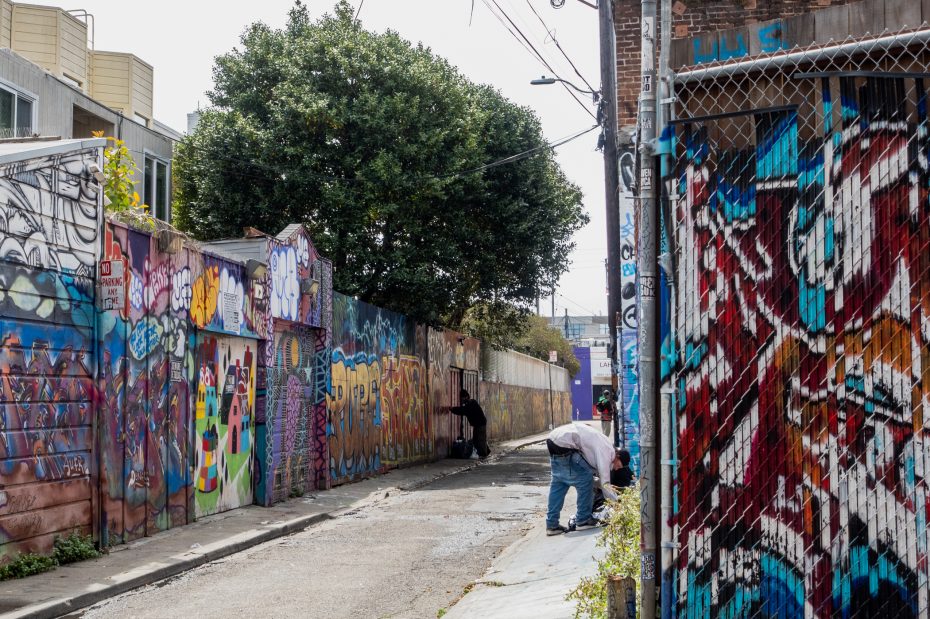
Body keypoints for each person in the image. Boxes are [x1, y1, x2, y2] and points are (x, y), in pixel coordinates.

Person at [546, 422, 623, 536]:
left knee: (559, 483)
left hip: (553, 440)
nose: (617, 468)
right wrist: (616, 502)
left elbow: (590, 465)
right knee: (587, 480)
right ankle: (583, 519)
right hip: (565, 444)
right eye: (619, 465)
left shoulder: (603, 442)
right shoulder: (607, 451)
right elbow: (605, 481)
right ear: (618, 456)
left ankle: (552, 525)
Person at [449, 389, 490, 458]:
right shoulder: (470, 403)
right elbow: (463, 409)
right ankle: (486, 452)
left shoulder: (471, 403)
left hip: (480, 424)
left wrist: (453, 409)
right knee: (477, 439)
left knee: (480, 439)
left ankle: (483, 454)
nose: (462, 400)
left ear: (466, 397)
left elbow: (463, 410)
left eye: (462, 398)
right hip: (478, 424)